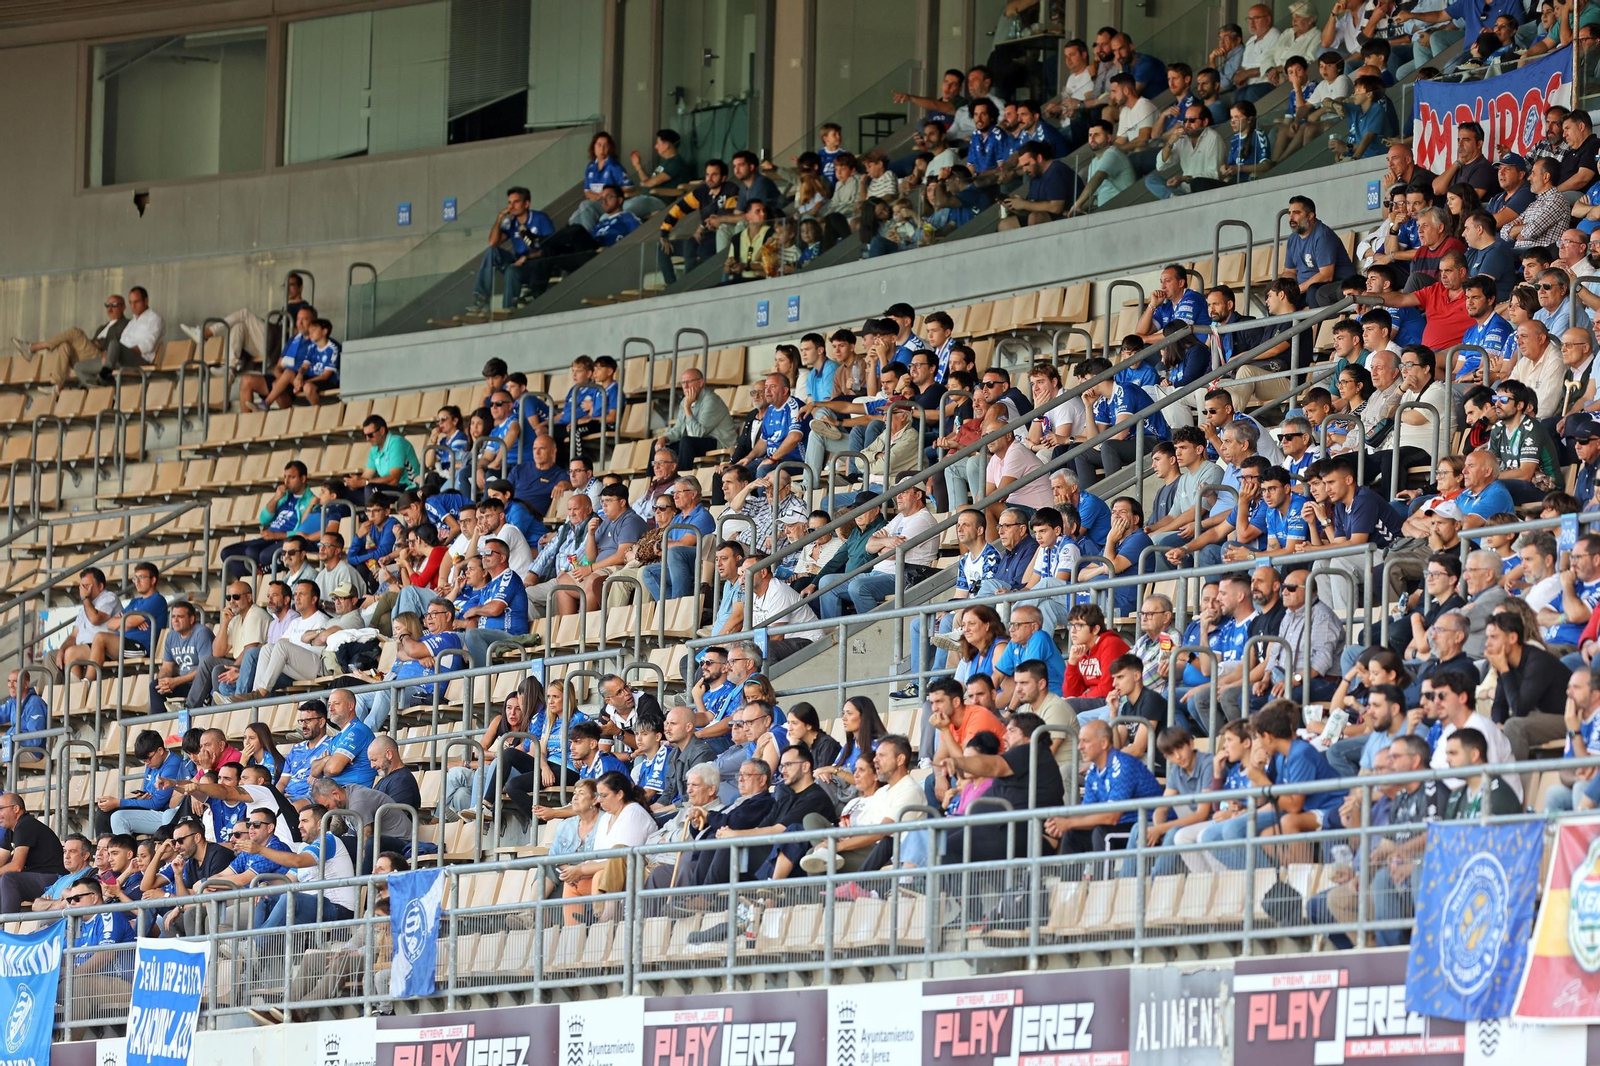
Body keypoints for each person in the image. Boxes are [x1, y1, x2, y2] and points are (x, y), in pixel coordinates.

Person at [1049, 720, 1164, 858]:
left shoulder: (1123, 765)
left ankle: (1102, 880)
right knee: (1073, 834)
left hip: (1149, 828)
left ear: (1103, 743)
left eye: (1085, 741)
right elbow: (1087, 812)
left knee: (1102, 832)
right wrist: (1059, 823)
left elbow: (1112, 817)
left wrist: (1068, 823)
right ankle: (1070, 880)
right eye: (1079, 741)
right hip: (1120, 827)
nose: (1080, 747)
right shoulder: (1093, 771)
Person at [0, 793, 66, 914]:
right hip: (36, 878)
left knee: (9, 879)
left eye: (1, 809)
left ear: (15, 809)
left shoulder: (25, 824)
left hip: (53, 879)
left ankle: (7, 928)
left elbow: (16, 866)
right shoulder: (11, 831)